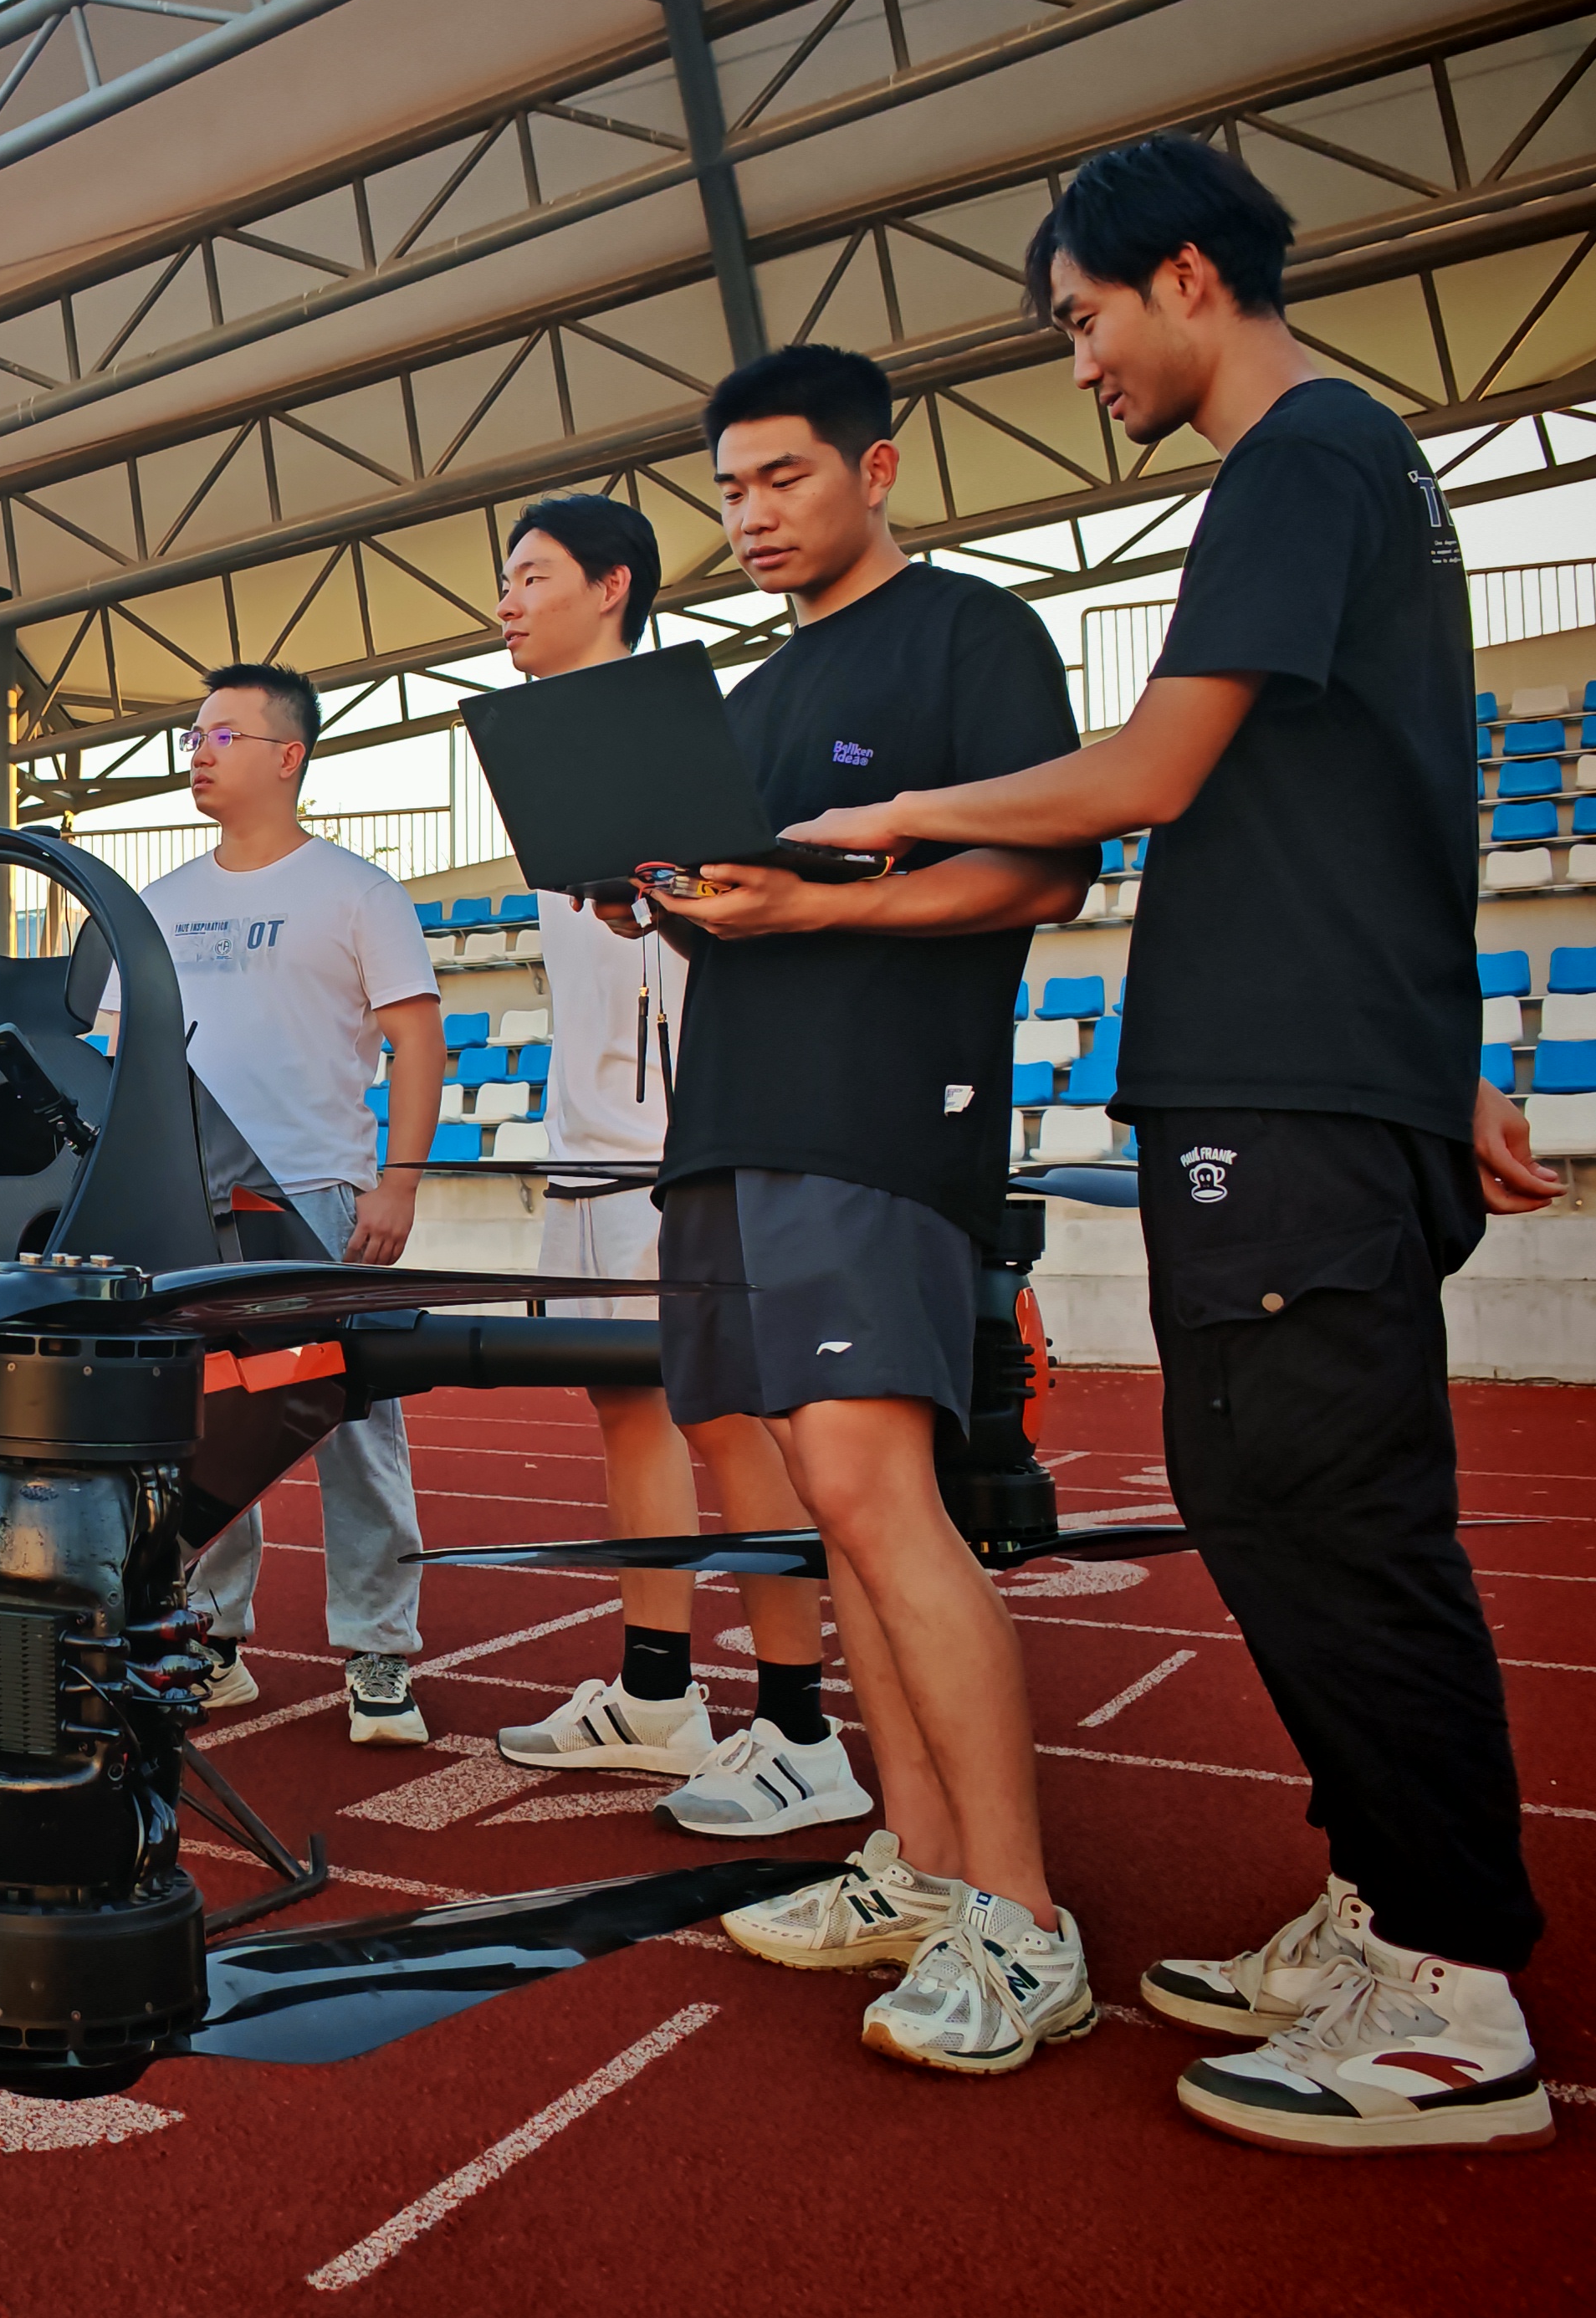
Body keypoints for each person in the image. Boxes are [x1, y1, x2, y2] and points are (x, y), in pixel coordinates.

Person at [789, 136, 1557, 2152]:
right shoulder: (1349, 473)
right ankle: (1383, 1905)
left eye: (1081, 316)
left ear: (1186, 273)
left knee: (1324, 1501)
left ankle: (1451, 1984)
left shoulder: (1300, 457)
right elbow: (1395, 796)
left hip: (1300, 1077)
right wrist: (1450, 1052)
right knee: (1264, 1483)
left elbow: (1153, 767)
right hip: (1320, 1060)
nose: (1076, 363)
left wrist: (889, 812)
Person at [618, 345, 1102, 2075]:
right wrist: (658, 896)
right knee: (831, 1510)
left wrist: (813, 916)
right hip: (735, 1114)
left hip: (878, 1111)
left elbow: (1042, 867)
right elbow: (735, 910)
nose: (747, 515)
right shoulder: (742, 702)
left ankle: (1021, 1922)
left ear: (874, 469)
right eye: (728, 489)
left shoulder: (972, 637)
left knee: (880, 1494)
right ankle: (913, 1864)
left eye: (780, 479)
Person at [480, 495, 850, 1838]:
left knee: (728, 1421)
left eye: (531, 577)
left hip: (676, 1156)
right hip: (584, 1148)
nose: (507, 603)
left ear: (613, 586)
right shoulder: (539, 750)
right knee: (622, 1414)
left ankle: (802, 1730)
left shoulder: (698, 734)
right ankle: (655, 1695)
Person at [99, 663, 446, 1747]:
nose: (196, 752)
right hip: (185, 1203)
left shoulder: (356, 891)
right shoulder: (156, 905)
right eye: (194, 735)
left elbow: (419, 1040)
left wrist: (397, 1181)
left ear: (287, 756)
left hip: (320, 1191)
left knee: (355, 1429)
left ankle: (380, 1653)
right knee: (196, 1430)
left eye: (222, 735)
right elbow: (120, 1059)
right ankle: (212, 1641)